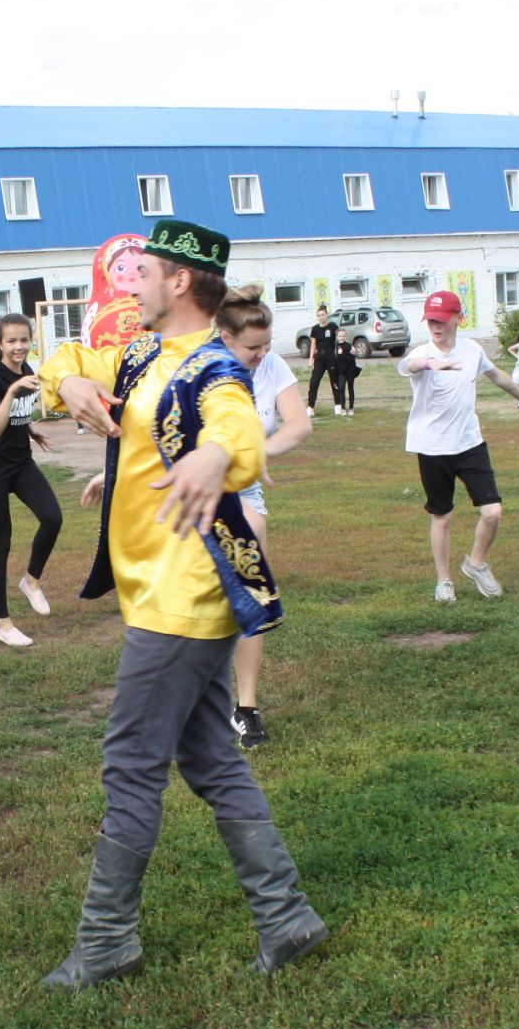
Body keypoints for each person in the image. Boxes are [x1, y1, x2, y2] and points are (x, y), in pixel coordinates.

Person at [38, 218, 325, 987]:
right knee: (208, 757)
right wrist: (67, 383)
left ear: (180, 284)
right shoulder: (140, 353)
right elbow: (63, 355)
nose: (129, 282)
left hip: (184, 596)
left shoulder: (211, 370)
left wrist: (212, 452)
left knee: (131, 763)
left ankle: (106, 942)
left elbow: (241, 432)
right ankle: (287, 917)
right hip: (156, 591)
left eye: (145, 271)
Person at [399, 290, 519, 602]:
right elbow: (409, 366)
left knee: (492, 511)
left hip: (470, 443)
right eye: (430, 321)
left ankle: (477, 563)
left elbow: (497, 376)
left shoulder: (471, 350)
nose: (435, 327)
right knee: (442, 516)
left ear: (458, 318)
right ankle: (444, 582)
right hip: (432, 447)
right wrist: (430, 364)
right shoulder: (422, 352)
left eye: (441, 320)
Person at [218, 286, 311, 749]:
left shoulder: (271, 366)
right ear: (224, 338)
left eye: (267, 343)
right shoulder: (203, 367)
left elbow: (299, 423)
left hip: (244, 488)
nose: (263, 353)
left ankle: (246, 707)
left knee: (251, 593)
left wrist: (260, 451)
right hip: (194, 492)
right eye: (253, 346)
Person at [0, 313, 61, 647]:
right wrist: (12, 390)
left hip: (19, 461)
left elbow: (15, 416)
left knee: (52, 517)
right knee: (1, 541)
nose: (19, 346)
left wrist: (32, 430)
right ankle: (2, 624)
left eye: (24, 340)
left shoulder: (28, 372)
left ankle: (31, 580)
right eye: (11, 341)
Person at [305, 305, 337, 413]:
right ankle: (310, 407)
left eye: (323, 315)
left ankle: (338, 405)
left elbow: (341, 338)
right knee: (314, 382)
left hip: (331, 358)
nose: (321, 317)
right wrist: (311, 359)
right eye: (319, 315)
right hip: (320, 358)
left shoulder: (333, 326)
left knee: (334, 381)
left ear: (327, 315)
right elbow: (313, 345)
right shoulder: (315, 329)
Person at [332, 327, 360, 414]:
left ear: (346, 336)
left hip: (350, 371)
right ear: (337, 337)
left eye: (343, 336)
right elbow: (335, 361)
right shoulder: (335, 347)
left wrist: (345, 353)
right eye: (340, 336)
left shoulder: (349, 346)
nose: (342, 337)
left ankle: (351, 408)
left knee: (350, 389)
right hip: (341, 372)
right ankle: (343, 408)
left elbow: (352, 358)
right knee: (341, 389)